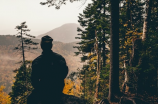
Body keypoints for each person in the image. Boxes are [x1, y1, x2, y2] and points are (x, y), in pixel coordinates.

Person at [27, 35, 86, 104]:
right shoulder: (59, 58)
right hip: (57, 89)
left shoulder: (37, 62)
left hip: (43, 91)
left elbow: (34, 81)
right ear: (51, 45)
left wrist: (42, 88)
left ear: (41, 46)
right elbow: (64, 73)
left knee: (30, 99)